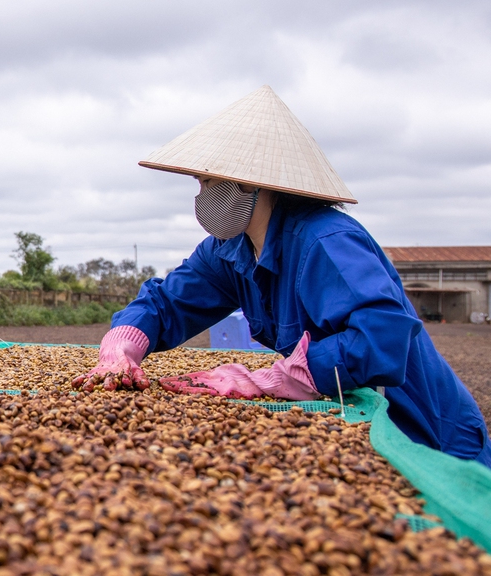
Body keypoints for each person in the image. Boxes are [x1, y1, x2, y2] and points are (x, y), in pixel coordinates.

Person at [73, 85, 491, 467]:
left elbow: (382, 338)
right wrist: (124, 342)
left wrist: (280, 377)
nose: (201, 195)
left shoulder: (325, 241)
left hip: (426, 436)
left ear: (245, 183)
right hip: (359, 432)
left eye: (205, 181)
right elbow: (168, 302)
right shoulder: (230, 250)